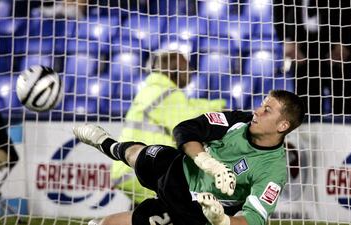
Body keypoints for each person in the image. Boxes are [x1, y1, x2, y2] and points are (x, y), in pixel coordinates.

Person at [74, 89, 305, 225]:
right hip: (177, 167)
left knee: (124, 222)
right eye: (261, 105)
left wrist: (222, 220)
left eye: (267, 110)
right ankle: (107, 143)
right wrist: (207, 162)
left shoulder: (273, 171)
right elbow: (186, 129)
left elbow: (253, 220)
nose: (257, 111)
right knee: (139, 155)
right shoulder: (237, 121)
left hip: (189, 209)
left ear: (283, 125)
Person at [106, 51, 226, 224]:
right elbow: (188, 121)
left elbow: (192, 106)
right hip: (139, 169)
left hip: (134, 167)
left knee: (150, 216)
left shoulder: (156, 90)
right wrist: (220, 117)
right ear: (175, 71)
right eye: (187, 68)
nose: (191, 71)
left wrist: (219, 107)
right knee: (183, 211)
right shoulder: (166, 94)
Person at [273, 0, 351, 116]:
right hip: (301, 47)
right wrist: (286, 39)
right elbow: (279, 7)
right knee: (305, 108)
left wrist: (347, 43)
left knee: (343, 106)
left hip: (337, 45)